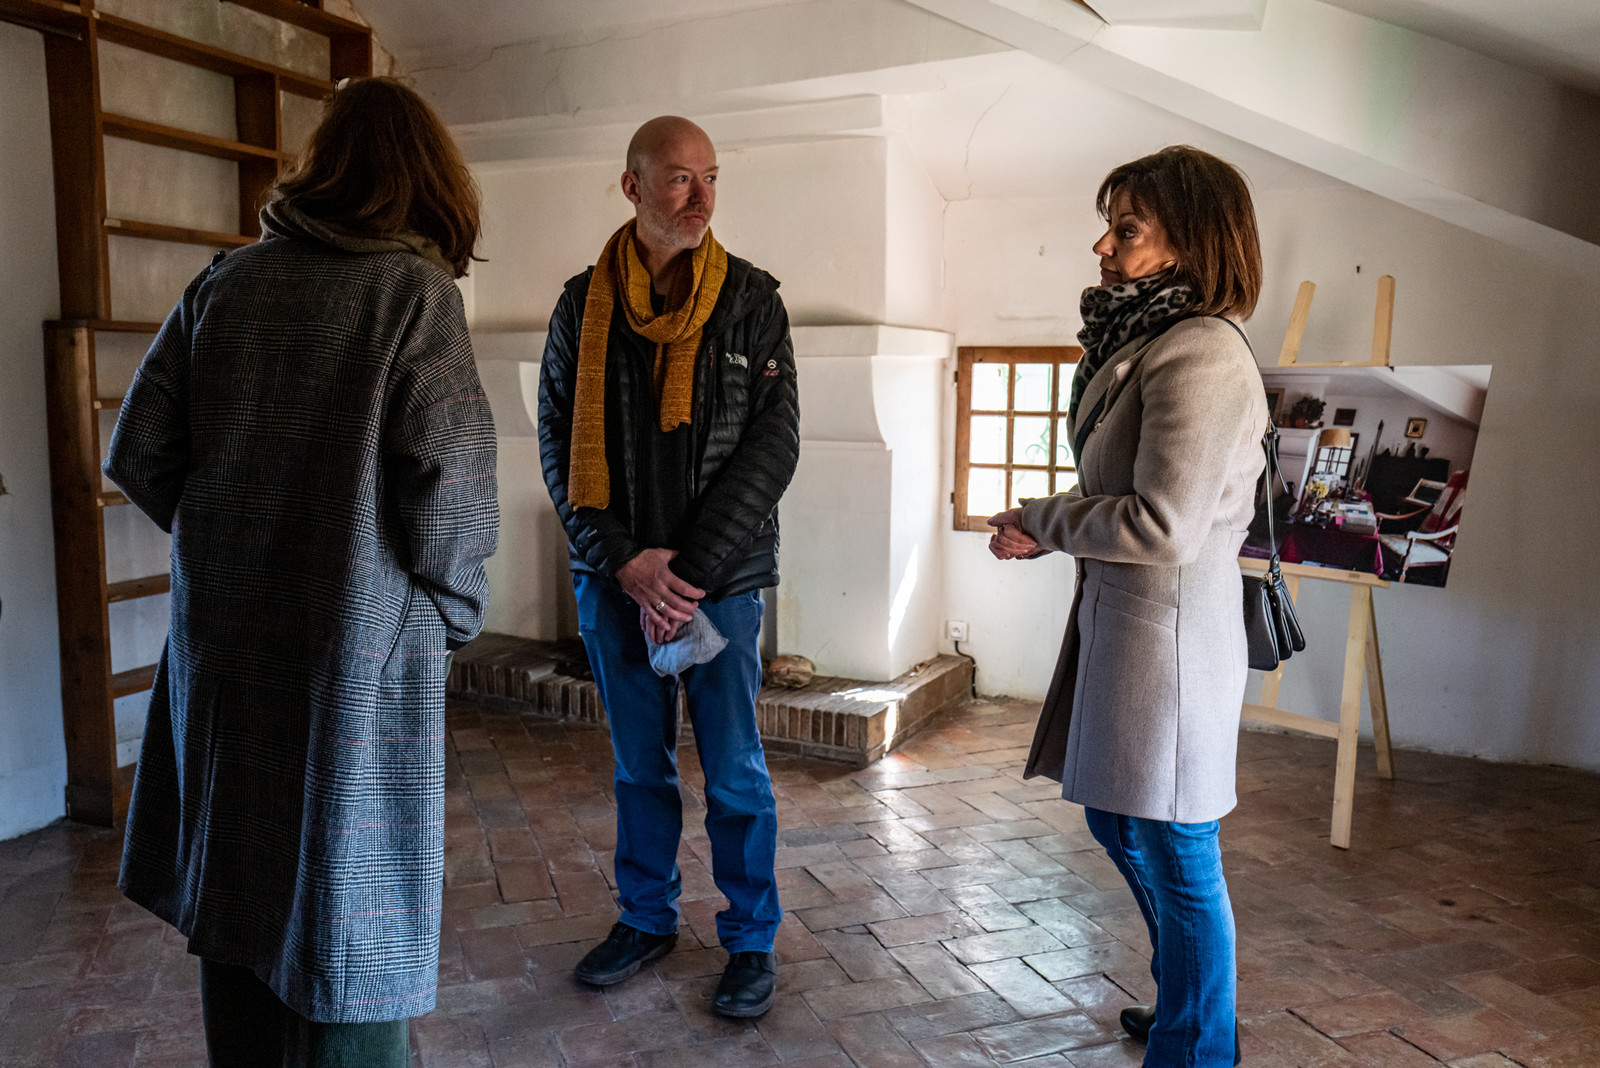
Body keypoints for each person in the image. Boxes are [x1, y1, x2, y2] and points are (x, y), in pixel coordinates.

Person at [104, 78, 498, 1067]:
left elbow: (139, 451)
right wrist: (440, 614)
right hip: (352, 653)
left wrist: (230, 545)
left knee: (237, 887)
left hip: (228, 649)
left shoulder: (224, 284)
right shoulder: (414, 298)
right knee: (345, 917)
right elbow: (451, 494)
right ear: (432, 185)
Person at [987, 145, 1267, 1067]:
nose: (1102, 245)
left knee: (1182, 851)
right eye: (1109, 224)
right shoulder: (1144, 342)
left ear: (1189, 245)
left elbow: (1166, 523)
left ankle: (1200, 1043)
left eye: (1128, 228)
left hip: (1172, 645)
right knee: (1119, 819)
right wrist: (1055, 532)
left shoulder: (1203, 353)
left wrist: (1043, 518)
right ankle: (1193, 994)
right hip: (1131, 630)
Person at [537, 115, 800, 1019]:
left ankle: (751, 939)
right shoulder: (581, 305)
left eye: (711, 178)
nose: (700, 196)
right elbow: (554, 443)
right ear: (633, 187)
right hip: (613, 579)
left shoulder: (753, 299)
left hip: (717, 583)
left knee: (733, 770)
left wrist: (681, 570)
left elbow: (773, 449)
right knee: (638, 768)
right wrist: (625, 563)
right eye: (681, 178)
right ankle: (645, 919)